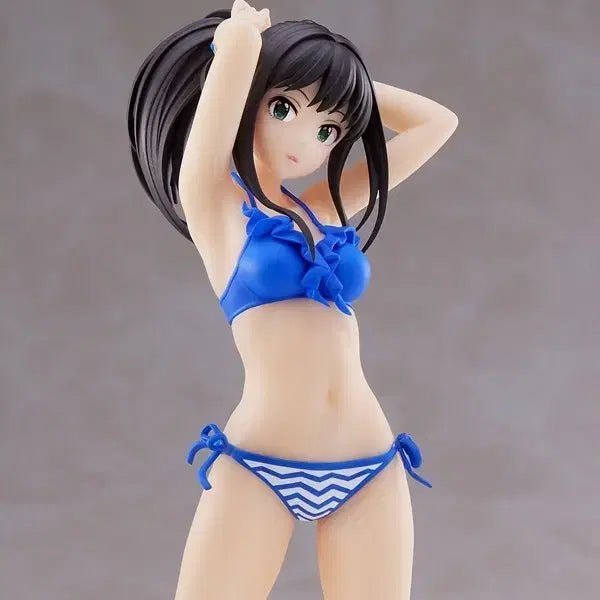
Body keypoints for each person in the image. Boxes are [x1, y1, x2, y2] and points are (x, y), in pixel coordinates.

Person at [127, 1, 458, 598]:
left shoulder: (324, 209)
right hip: (260, 463)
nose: (308, 143)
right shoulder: (216, 206)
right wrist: (247, 49)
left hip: (369, 463)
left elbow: (436, 124)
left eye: (328, 130)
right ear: (251, 100)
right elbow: (232, 68)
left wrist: (338, 81)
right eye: (284, 108)